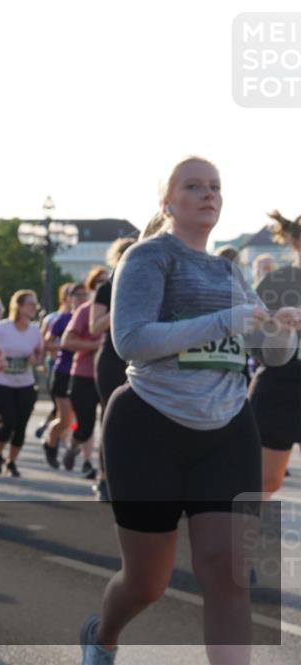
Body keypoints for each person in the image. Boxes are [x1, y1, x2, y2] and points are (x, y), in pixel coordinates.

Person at [81, 157, 300, 665]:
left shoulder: (229, 269)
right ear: (167, 201)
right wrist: (225, 320)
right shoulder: (148, 257)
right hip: (148, 424)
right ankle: (103, 635)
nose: (208, 194)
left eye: (215, 187)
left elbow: (271, 357)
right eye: (194, 186)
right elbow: (131, 340)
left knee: (227, 572)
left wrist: (281, 331)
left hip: (226, 427)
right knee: (147, 582)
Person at [250, 210, 301, 496]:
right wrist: (278, 327)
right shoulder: (275, 284)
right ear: (296, 242)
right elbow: (253, 343)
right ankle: (246, 538)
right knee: (265, 481)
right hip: (278, 389)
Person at [89, 237, 137, 500]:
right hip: (110, 359)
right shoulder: (106, 289)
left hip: (139, 358)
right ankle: (104, 476)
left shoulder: (146, 285)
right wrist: (119, 307)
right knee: (110, 417)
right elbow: (94, 326)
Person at [0, 289, 42, 478]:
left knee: (21, 425)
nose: (34, 308)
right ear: (18, 307)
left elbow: (39, 355)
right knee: (9, 421)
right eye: (30, 304)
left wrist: (33, 358)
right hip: (2, 382)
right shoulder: (2, 327)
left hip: (25, 383)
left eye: (35, 304)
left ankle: (11, 462)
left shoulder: (35, 331)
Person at [61, 268, 108, 477]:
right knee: (85, 426)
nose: (104, 285)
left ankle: (99, 471)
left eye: (107, 281)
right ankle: (73, 447)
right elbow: (66, 341)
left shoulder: (124, 307)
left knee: (109, 425)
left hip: (111, 376)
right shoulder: (85, 310)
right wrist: (95, 345)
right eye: (99, 282)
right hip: (84, 375)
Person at [42, 284, 85, 468]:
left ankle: (74, 449)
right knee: (65, 419)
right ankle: (49, 443)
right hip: (63, 372)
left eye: (85, 295)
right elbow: (47, 344)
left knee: (81, 419)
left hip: (83, 373)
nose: (81, 299)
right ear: (68, 299)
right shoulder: (63, 319)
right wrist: (67, 344)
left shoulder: (90, 318)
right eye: (76, 295)